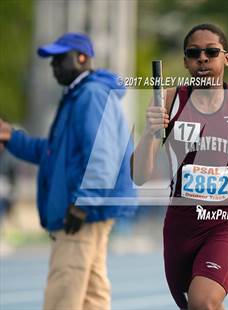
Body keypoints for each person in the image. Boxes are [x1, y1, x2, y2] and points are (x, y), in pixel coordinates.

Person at [133, 24, 228, 309]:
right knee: (193, 304)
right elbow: (138, 176)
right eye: (194, 53)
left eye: (211, 52)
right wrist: (150, 132)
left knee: (204, 301)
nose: (202, 58)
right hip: (180, 223)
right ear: (185, 61)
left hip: (226, 222)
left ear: (226, 58)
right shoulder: (170, 100)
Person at [0, 32, 137, 310]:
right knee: (90, 294)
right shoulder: (79, 95)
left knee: (64, 289)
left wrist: (82, 202)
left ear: (82, 58)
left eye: (60, 59)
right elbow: (52, 153)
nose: (53, 66)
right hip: (89, 208)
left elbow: (102, 155)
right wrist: (11, 137)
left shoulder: (90, 95)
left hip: (83, 212)